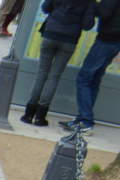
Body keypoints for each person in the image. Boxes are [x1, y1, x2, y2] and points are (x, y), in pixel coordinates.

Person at [21, 0, 97, 126]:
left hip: (50, 34)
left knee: (41, 73)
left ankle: (28, 114)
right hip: (69, 40)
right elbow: (87, 25)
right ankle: (40, 117)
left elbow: (45, 7)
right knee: (54, 76)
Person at [63, 0, 120, 132]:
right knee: (94, 80)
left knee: (84, 79)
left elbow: (104, 12)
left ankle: (85, 121)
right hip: (115, 42)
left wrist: (93, 4)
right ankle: (82, 119)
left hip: (106, 40)